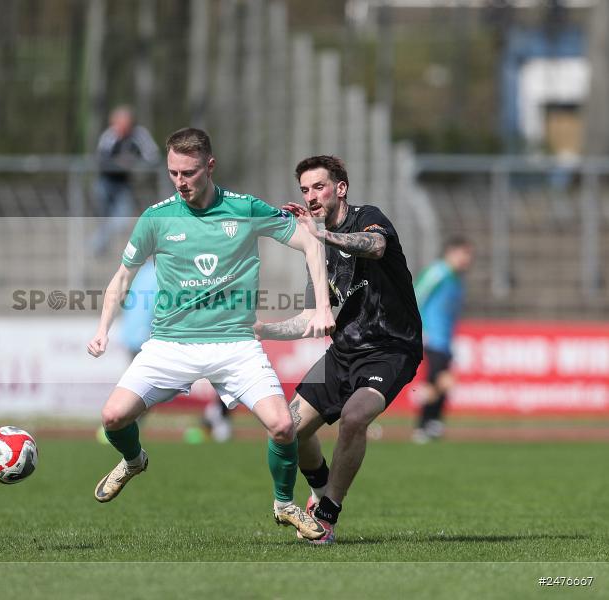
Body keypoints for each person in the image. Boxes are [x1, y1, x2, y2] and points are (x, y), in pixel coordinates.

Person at [86, 128, 335, 540]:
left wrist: (322, 306)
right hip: (170, 343)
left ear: (210, 166)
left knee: (282, 426)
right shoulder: (157, 218)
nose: (180, 182)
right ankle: (133, 460)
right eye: (173, 173)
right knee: (112, 417)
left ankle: (284, 504)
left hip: (235, 343)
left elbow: (310, 241)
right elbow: (122, 277)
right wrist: (102, 329)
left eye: (189, 172)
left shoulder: (244, 208)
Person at [254, 155, 423, 545]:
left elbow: (375, 247)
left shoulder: (367, 218)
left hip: (390, 348)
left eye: (319, 187)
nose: (311, 196)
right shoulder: (317, 250)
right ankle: (319, 490)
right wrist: (264, 330)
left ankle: (327, 513)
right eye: (305, 190)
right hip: (343, 353)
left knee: (354, 417)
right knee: (288, 429)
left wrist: (321, 236)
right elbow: (312, 317)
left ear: (340, 188)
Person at [412, 237, 474, 443]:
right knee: (437, 381)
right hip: (431, 337)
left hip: (445, 339)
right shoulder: (437, 272)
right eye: (464, 254)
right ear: (451, 252)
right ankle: (423, 425)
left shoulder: (458, 280)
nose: (467, 259)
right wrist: (419, 328)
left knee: (444, 382)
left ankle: (432, 421)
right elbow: (416, 295)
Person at [90, 106, 160, 255]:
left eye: (125, 125)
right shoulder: (109, 136)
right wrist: (119, 162)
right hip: (105, 182)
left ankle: (96, 243)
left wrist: (134, 162)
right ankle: (99, 249)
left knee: (122, 221)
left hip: (123, 185)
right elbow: (101, 160)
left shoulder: (139, 135)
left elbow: (153, 156)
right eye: (118, 125)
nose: (121, 129)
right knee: (103, 219)